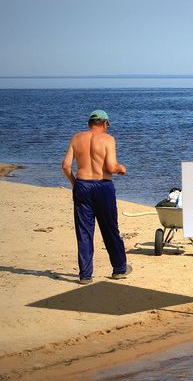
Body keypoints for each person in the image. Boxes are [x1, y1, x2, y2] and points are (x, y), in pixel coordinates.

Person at [61, 110, 132, 284]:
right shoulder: (108, 139)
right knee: (110, 228)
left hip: (82, 185)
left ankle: (85, 275)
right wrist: (121, 168)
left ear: (89, 123)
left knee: (84, 231)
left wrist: (75, 183)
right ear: (104, 123)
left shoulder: (76, 138)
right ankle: (119, 269)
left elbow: (65, 166)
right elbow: (110, 166)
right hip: (102, 186)